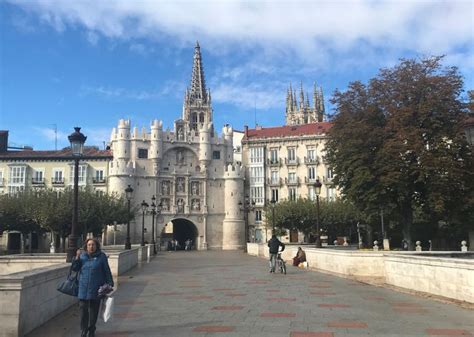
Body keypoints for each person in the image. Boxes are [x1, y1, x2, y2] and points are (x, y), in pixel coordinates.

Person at [72, 238, 114, 337]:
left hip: (97, 289)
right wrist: (77, 257)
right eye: (89, 245)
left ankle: (91, 330)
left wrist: (110, 283)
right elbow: (75, 268)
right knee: (83, 311)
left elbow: (106, 270)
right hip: (83, 288)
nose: (91, 247)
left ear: (97, 246)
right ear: (86, 246)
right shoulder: (82, 256)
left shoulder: (102, 256)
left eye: (93, 245)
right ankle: (83, 330)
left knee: (94, 311)